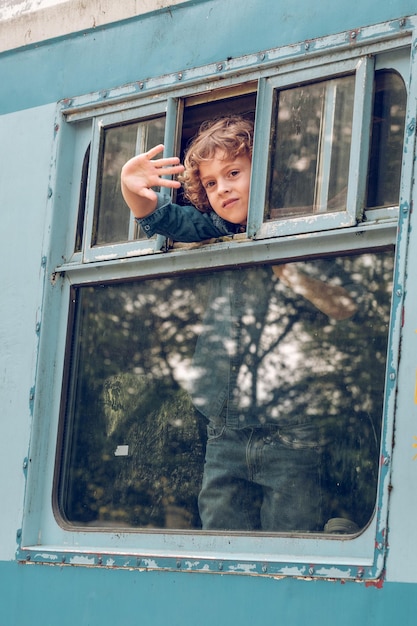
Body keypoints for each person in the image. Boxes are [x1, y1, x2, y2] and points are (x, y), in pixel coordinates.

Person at [121, 116, 357, 532]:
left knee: (292, 535)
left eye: (233, 173)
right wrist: (131, 188)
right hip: (223, 429)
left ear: (266, 171)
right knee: (220, 531)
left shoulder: (297, 229)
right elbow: (166, 219)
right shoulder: (217, 228)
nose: (223, 188)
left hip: (292, 427)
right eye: (210, 183)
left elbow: (343, 307)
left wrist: (290, 271)